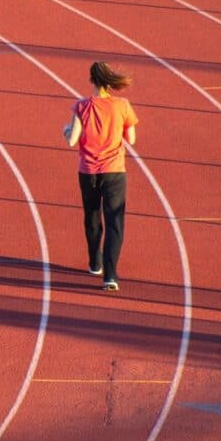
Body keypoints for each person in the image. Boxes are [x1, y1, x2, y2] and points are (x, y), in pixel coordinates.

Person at [62, 61, 139, 291]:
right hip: (115, 170)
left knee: (92, 217)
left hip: (88, 171)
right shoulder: (123, 105)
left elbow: (72, 140)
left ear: (91, 81)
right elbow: (132, 139)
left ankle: (95, 261)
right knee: (115, 222)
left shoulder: (82, 106)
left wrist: (65, 130)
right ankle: (110, 275)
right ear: (109, 81)